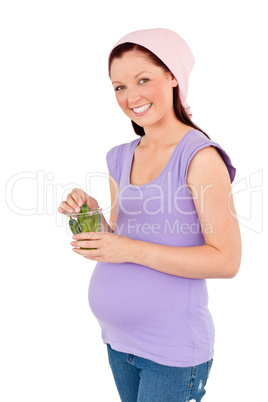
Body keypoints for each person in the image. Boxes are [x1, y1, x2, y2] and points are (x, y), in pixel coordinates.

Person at [58, 28, 242, 402]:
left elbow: (227, 261)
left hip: (172, 351)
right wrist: (92, 218)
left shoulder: (199, 157)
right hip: (118, 342)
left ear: (173, 77)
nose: (131, 96)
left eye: (144, 80)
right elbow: (123, 237)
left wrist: (127, 248)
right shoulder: (120, 156)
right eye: (119, 87)